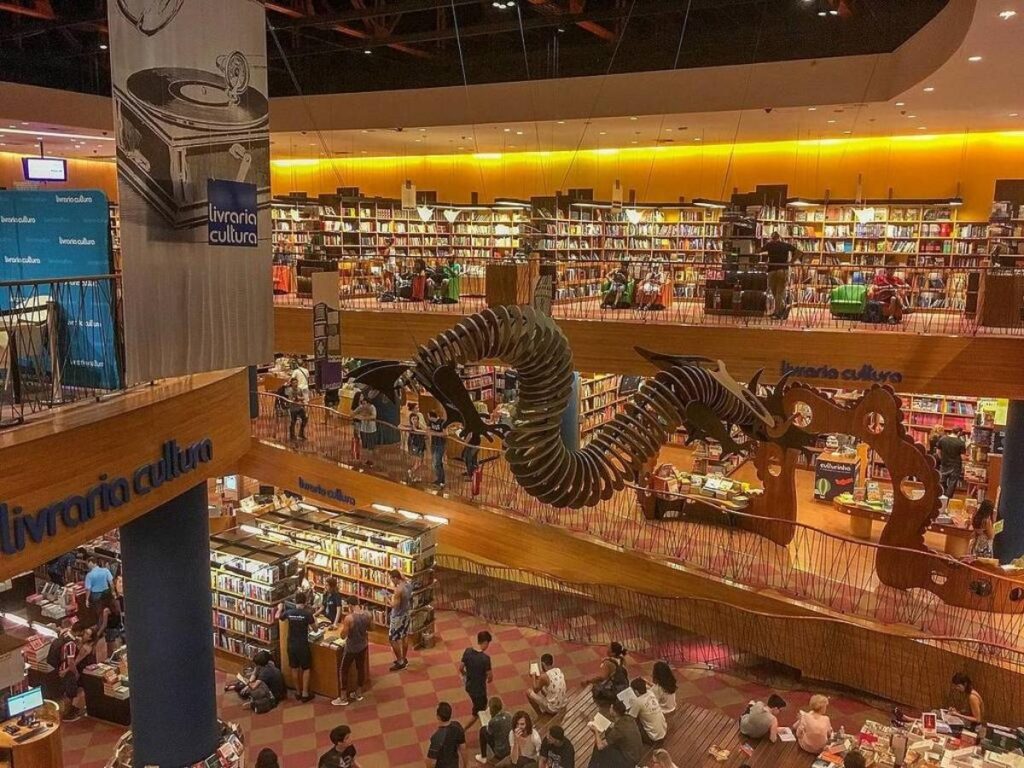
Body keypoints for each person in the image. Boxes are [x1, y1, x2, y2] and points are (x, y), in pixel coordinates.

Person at [276, 593, 315, 702]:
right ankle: (305, 693)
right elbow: (315, 629)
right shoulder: (307, 614)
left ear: (295, 601)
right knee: (306, 668)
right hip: (302, 644)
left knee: (294, 668)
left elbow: (278, 617)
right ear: (305, 601)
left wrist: (279, 608)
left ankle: (297, 692)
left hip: (291, 644)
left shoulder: (289, 612)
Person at [333, 596, 371, 706]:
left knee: (343, 670)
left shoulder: (349, 618)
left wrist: (343, 629)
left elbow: (343, 635)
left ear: (350, 605)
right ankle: (358, 693)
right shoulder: (367, 615)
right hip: (362, 646)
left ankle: (343, 697)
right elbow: (371, 628)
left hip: (351, 648)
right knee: (360, 668)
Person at [589, 699, 643, 768]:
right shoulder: (629, 718)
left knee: (598, 746)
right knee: (607, 736)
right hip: (636, 753)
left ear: (614, 712)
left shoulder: (619, 729)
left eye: (611, 708)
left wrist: (595, 732)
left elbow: (600, 746)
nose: (610, 709)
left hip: (629, 760)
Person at [759, 232, 800, 319]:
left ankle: (778, 312)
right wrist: (791, 262)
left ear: (772, 238)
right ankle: (780, 310)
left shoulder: (769, 245)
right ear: (780, 237)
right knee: (780, 292)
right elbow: (799, 252)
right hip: (782, 269)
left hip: (772, 270)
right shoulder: (785, 245)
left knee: (774, 292)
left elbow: (758, 250)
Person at [460, 630, 494, 718]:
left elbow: (461, 668)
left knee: (476, 703)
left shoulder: (467, 651)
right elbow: (490, 677)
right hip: (479, 690)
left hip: (469, 685)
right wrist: (487, 678)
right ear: (486, 642)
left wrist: (466, 674)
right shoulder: (485, 659)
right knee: (480, 709)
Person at [427, 701, 467, 768]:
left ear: (438, 717)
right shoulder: (457, 726)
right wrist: (465, 765)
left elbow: (431, 761)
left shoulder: (437, 737)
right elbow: (463, 748)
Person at [627, 678, 667, 745]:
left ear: (636, 691)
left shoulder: (638, 702)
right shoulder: (651, 693)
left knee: (633, 724)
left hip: (653, 738)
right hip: (663, 731)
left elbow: (630, 718)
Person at [388, 568, 414, 670]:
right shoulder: (408, 584)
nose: (391, 581)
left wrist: (387, 597)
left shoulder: (398, 590)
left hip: (398, 617)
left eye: (391, 579)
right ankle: (404, 658)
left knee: (392, 639)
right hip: (406, 614)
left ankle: (400, 661)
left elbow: (394, 606)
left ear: (395, 578)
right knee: (404, 636)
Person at [476, 696, 514, 765]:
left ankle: (483, 757)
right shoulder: (508, 715)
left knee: (482, 730)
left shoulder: (493, 722)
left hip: (500, 751)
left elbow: (489, 733)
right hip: (511, 747)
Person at [937, 427, 967, 499]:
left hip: (944, 464)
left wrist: (942, 459)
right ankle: (948, 498)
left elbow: (938, 452)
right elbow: (962, 457)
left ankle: (942, 495)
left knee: (942, 481)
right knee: (952, 483)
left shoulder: (942, 439)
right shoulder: (960, 443)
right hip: (955, 466)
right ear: (959, 433)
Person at [94, 591, 124, 660]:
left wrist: (98, 633)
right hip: (117, 628)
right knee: (116, 649)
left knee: (111, 651)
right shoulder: (117, 603)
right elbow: (120, 615)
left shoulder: (106, 610)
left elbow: (104, 624)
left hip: (110, 630)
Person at [353, 394, 378, 466]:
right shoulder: (361, 407)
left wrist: (363, 417)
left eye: (364, 404)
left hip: (371, 430)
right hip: (363, 429)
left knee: (370, 446)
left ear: (368, 403)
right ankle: (365, 459)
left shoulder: (372, 408)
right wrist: (356, 416)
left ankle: (370, 460)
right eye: (362, 404)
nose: (363, 405)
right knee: (364, 445)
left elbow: (373, 416)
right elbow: (354, 413)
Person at [407, 401, 428, 479]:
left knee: (420, 460)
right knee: (417, 459)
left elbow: (423, 425)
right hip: (416, 442)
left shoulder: (420, 415)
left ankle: (414, 474)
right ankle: (411, 472)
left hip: (421, 441)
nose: (418, 409)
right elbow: (415, 429)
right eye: (416, 408)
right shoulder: (412, 418)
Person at [428, 409, 448, 487]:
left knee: (436, 463)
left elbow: (445, 433)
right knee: (437, 463)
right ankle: (440, 480)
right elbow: (427, 430)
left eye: (428, 416)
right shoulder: (430, 422)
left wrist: (434, 433)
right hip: (433, 444)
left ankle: (440, 480)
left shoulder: (442, 422)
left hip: (440, 445)